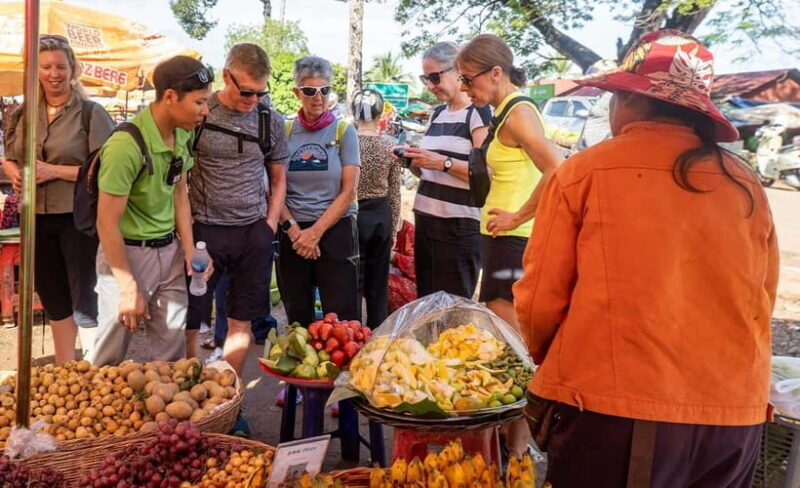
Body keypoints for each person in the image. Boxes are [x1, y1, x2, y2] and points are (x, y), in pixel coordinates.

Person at [513, 30, 777, 487]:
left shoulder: (585, 172)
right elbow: (762, 300)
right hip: (736, 417)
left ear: (633, 102)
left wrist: (554, 362)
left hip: (620, 416)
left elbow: (539, 304)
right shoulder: (745, 183)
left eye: (615, 96)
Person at [456, 34, 563, 457]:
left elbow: (557, 168)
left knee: (515, 350)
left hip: (515, 244)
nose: (465, 88)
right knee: (506, 347)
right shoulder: (503, 112)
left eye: (468, 79)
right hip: (501, 241)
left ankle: (517, 453)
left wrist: (518, 216)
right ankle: (509, 449)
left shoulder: (518, 113)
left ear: (495, 73)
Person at [87, 56, 213, 366]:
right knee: (108, 357)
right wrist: (128, 286)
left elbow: (179, 192)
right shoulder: (125, 147)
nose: (205, 111)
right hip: (126, 257)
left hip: (168, 253)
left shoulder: (184, 133)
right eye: (199, 102)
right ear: (170, 96)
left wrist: (188, 250)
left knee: (170, 358)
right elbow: (106, 224)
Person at [3, 34, 115, 364]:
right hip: (34, 216)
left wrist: (53, 171)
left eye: (61, 67)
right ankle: (65, 367)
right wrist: (12, 171)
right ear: (35, 70)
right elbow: (11, 156)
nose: (55, 74)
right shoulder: (23, 114)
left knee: (85, 298)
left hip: (76, 218)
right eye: (47, 67)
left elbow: (105, 170)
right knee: (53, 296)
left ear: (72, 69)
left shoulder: (91, 113)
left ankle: (96, 368)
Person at [186, 43, 288, 374]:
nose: (253, 100)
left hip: (252, 234)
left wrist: (269, 226)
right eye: (246, 92)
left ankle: (229, 399)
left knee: (240, 322)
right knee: (189, 320)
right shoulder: (200, 113)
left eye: (260, 93)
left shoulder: (269, 120)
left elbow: (278, 179)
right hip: (204, 232)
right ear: (225, 76)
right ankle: (187, 395)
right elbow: (179, 176)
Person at [401, 41, 491, 299]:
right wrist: (415, 163)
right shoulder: (437, 114)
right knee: (427, 303)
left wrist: (442, 162)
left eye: (434, 77)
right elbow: (430, 173)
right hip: (427, 222)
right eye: (425, 78)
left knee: (452, 307)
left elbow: (485, 173)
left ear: (456, 71)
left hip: (459, 227)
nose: (429, 85)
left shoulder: (478, 112)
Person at [277, 56, 361, 327]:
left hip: (335, 230)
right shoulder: (285, 132)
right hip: (293, 232)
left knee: (342, 317)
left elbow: (348, 191)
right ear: (297, 93)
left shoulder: (343, 132)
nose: (318, 98)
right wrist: (295, 232)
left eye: (325, 90)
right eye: (310, 91)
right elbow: (274, 187)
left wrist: (314, 234)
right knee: (297, 315)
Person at [353, 89, 401, 328]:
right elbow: (395, 193)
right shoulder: (390, 147)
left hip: (352, 216)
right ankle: (377, 333)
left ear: (354, 113)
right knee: (377, 283)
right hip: (381, 216)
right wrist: (393, 230)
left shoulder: (347, 143)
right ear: (381, 113)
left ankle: (350, 334)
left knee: (352, 282)